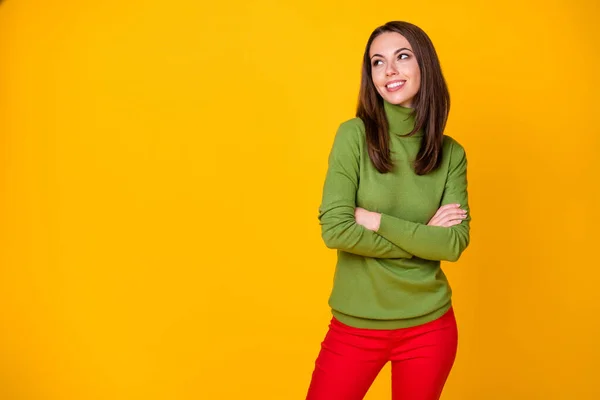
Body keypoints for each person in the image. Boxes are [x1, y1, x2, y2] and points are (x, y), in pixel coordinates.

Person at [305, 21, 471, 400]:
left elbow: (454, 243)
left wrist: (376, 220)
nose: (389, 71)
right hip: (355, 327)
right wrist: (423, 238)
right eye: (377, 62)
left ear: (424, 65)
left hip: (430, 328)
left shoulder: (452, 154)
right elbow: (336, 230)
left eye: (402, 56)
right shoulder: (354, 136)